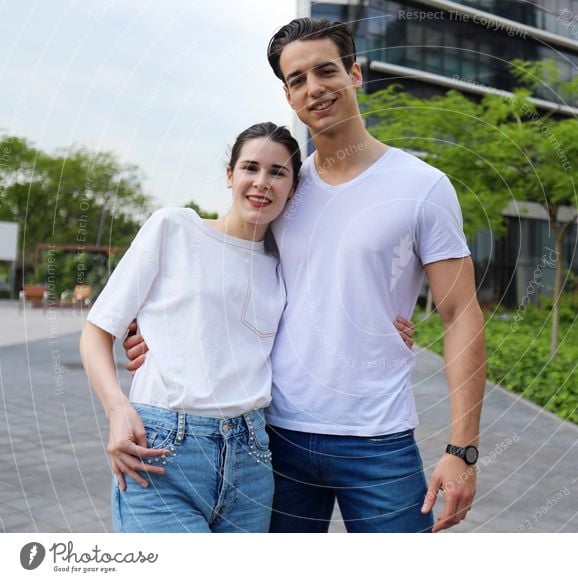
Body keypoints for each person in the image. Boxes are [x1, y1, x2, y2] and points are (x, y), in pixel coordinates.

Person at [127, 17, 487, 533]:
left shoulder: (423, 186)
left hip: (379, 439)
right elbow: (220, 272)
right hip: (273, 439)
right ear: (288, 95)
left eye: (325, 71)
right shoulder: (283, 189)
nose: (314, 88)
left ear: (355, 74)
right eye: (298, 80)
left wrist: (463, 449)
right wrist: (149, 334)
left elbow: (462, 313)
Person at [81, 121, 413, 532]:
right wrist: (117, 409)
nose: (262, 182)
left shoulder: (284, 266)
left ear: (293, 189)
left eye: (278, 172)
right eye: (250, 168)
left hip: (252, 459)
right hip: (163, 448)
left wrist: (381, 331)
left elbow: (330, 315)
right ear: (229, 175)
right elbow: (97, 331)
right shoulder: (174, 229)